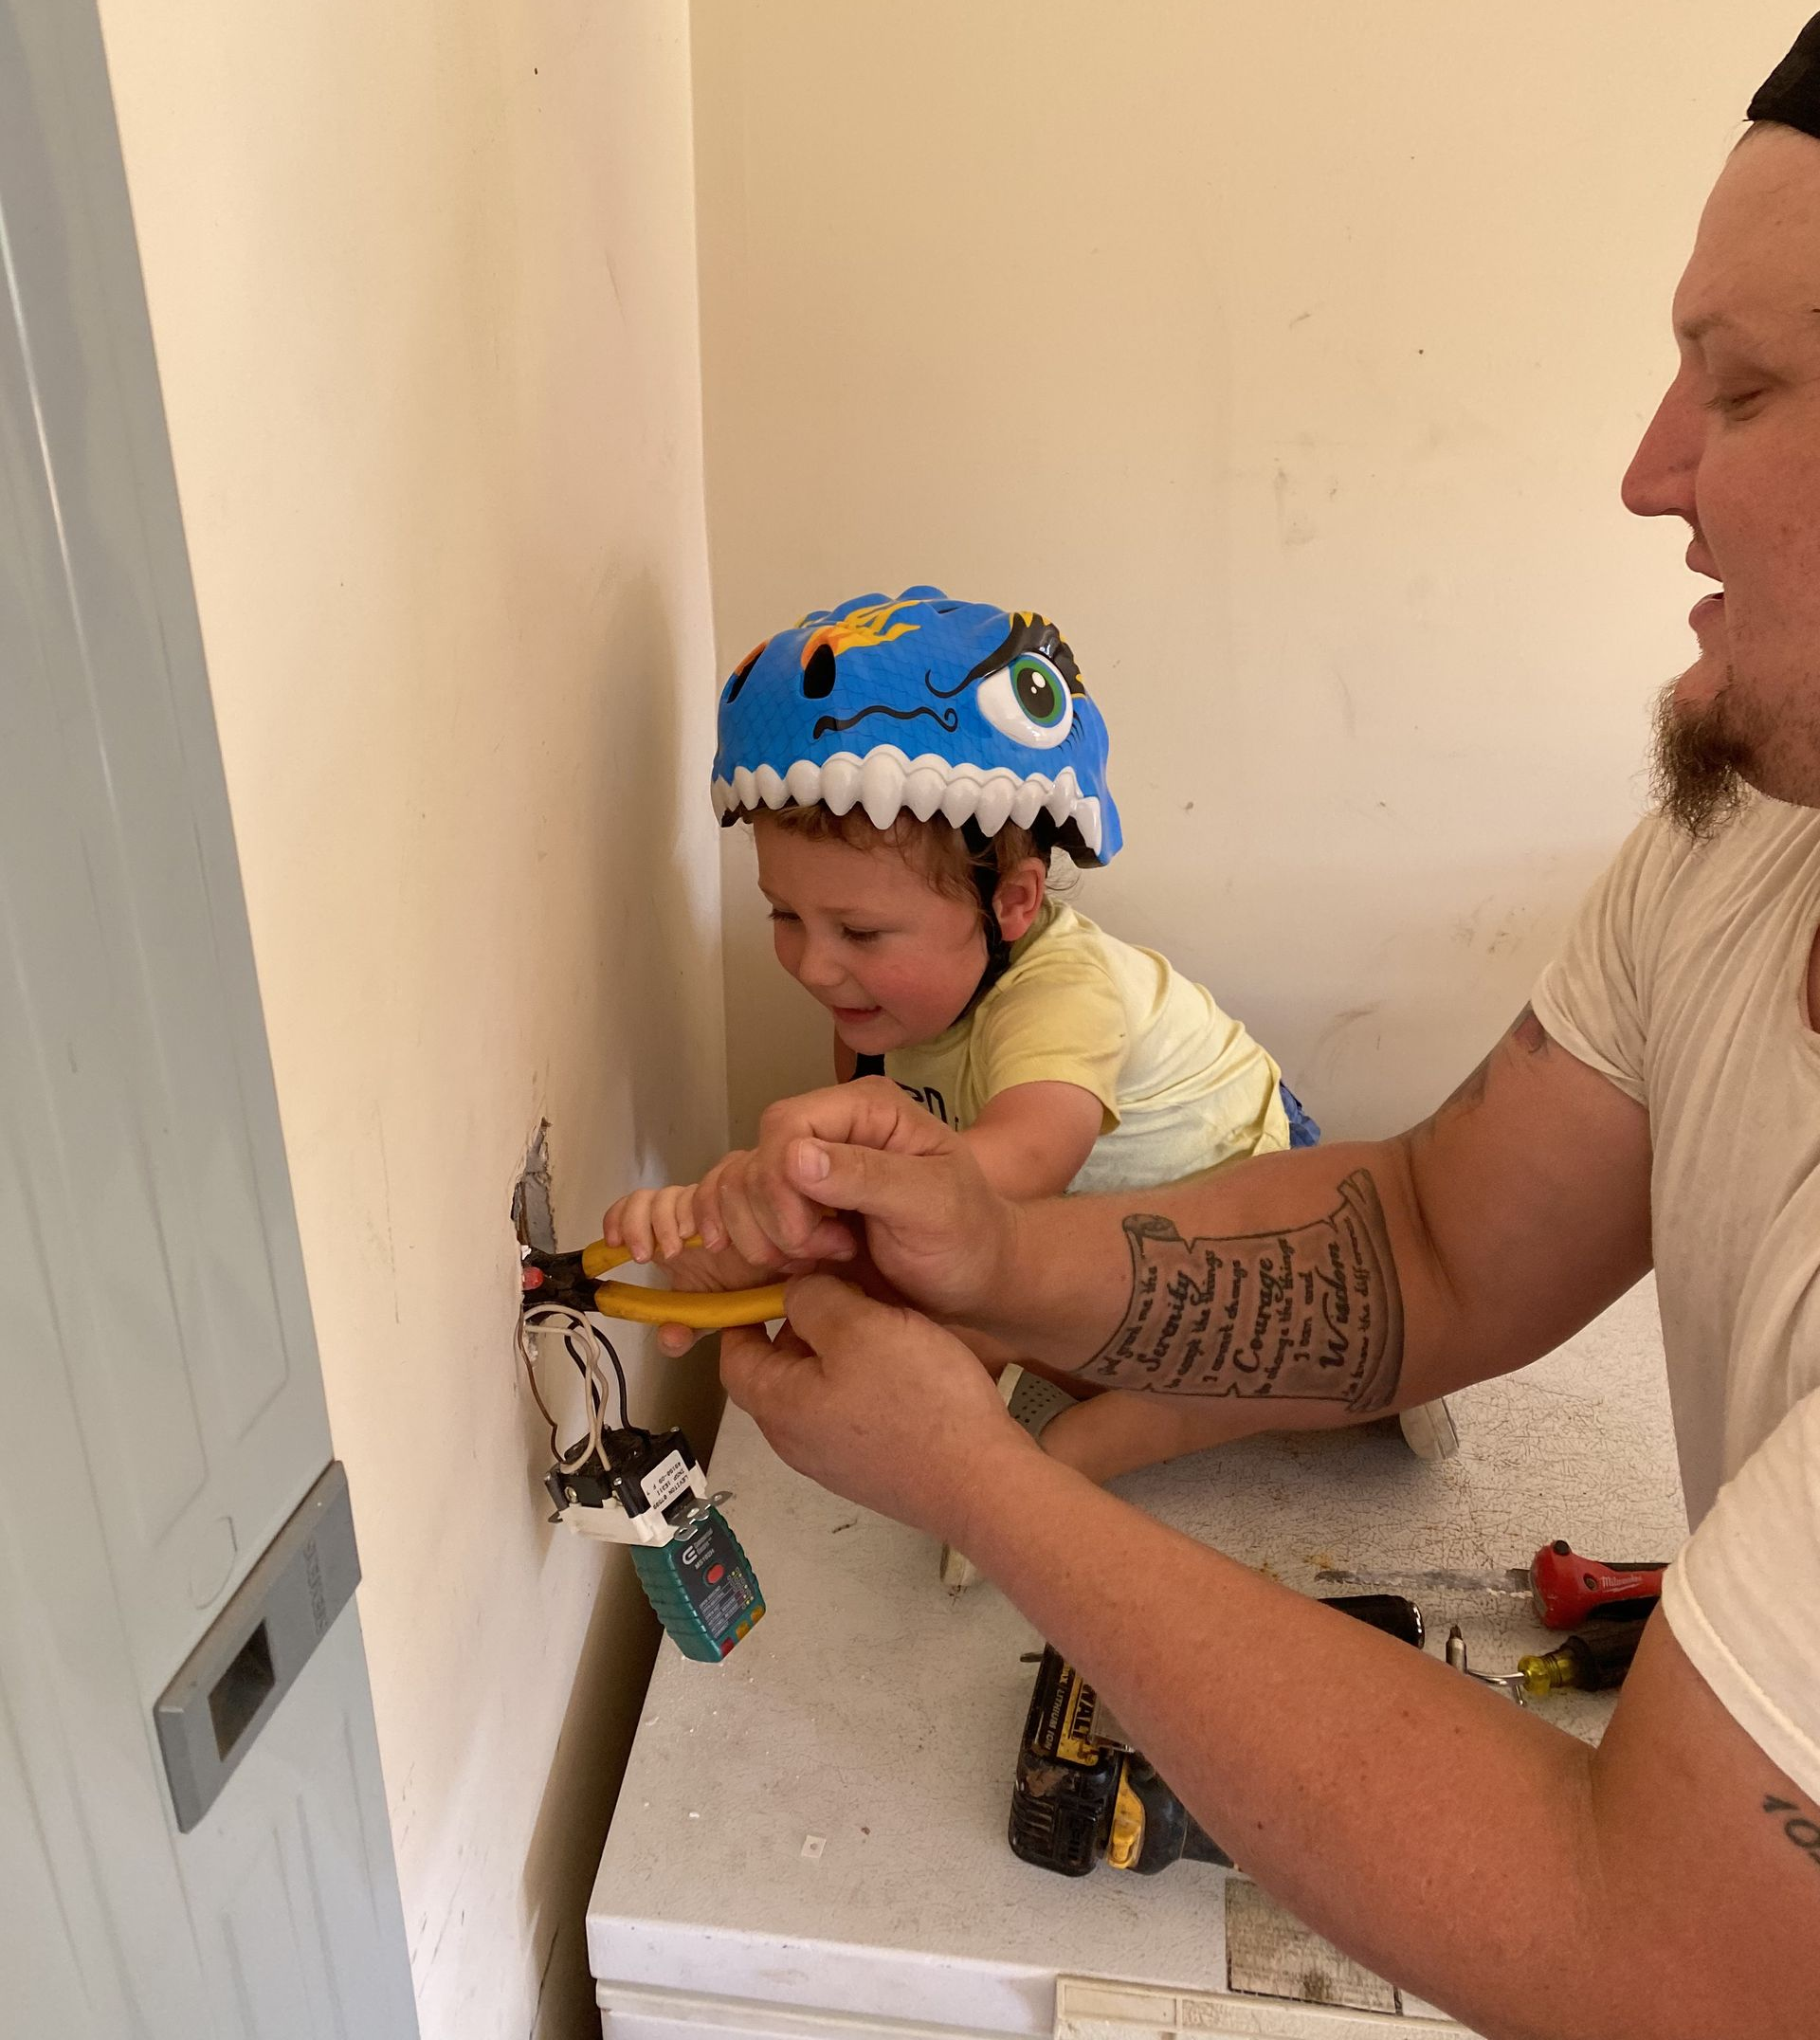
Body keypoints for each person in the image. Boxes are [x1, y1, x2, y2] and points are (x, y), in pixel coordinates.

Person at [670, 26, 1820, 2038]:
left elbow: (1658, 1955)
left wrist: (987, 1482)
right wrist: (997, 1257)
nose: (1647, 472)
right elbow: (1429, 1244)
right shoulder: (1744, 843)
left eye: (1745, 386)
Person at [605, 587, 1372, 1494]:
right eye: (785, 914)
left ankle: (1100, 1445)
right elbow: (871, 1164)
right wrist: (723, 1229)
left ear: (1011, 904)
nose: (813, 966)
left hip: (1257, 1210)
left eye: (859, 932)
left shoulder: (1063, 993)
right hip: (1101, 1224)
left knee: (1098, 1338)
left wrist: (804, 1210)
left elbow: (1010, 1169)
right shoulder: (878, 1008)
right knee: (936, 1301)